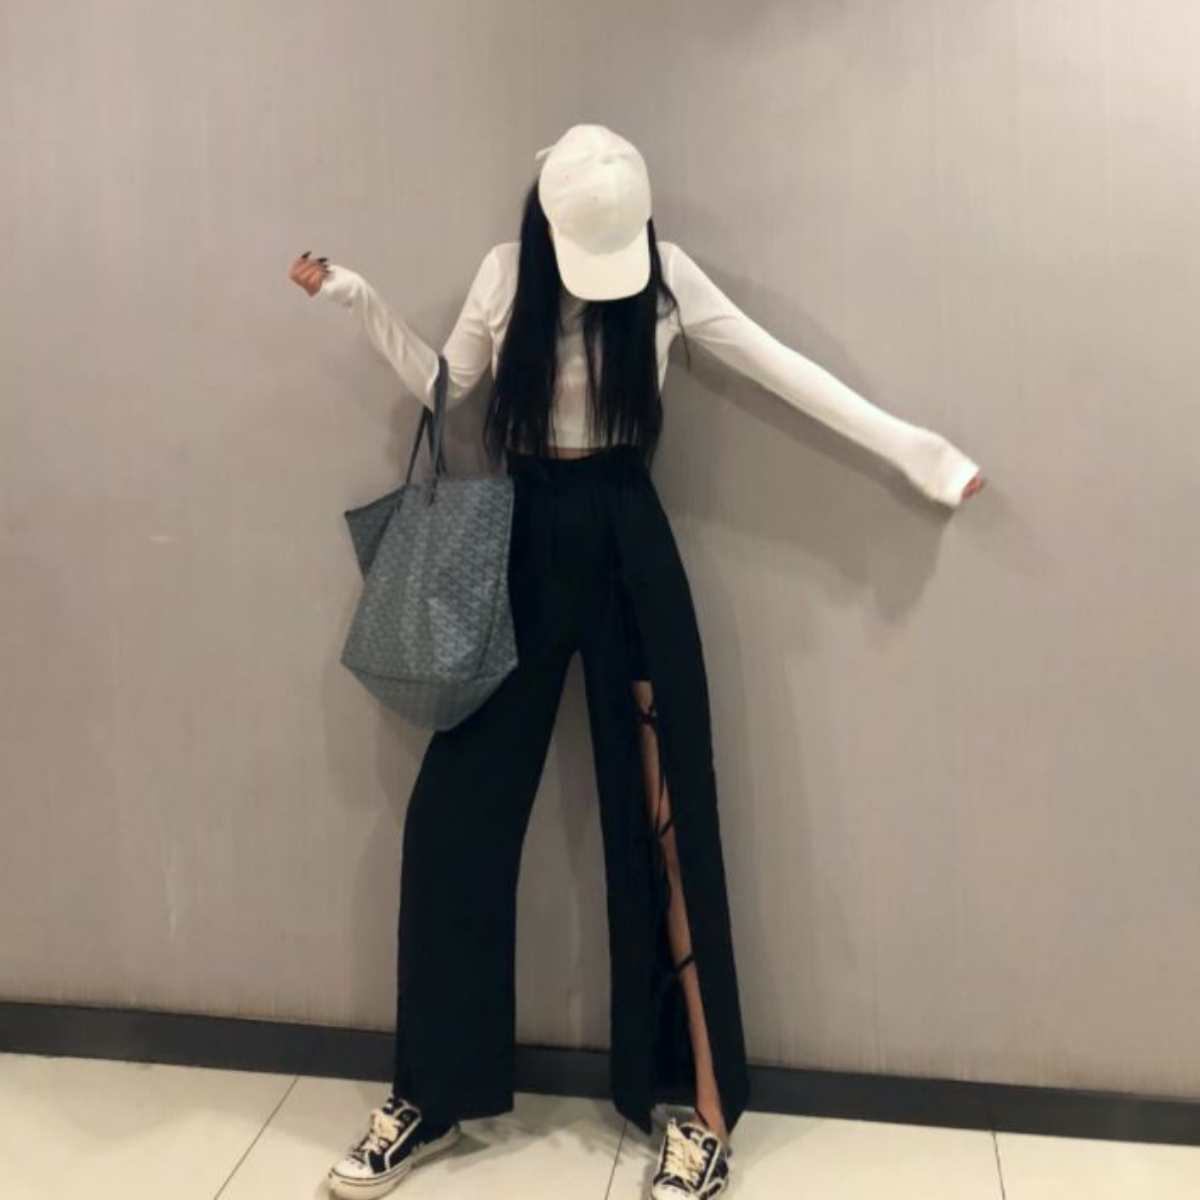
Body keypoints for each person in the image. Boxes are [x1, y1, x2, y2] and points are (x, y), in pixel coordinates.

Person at [288, 122, 984, 1200]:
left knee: (667, 822)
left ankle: (700, 1112)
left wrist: (921, 454)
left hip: (626, 540)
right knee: (453, 819)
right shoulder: (506, 274)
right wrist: (360, 300)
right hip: (520, 541)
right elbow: (444, 388)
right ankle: (428, 1092)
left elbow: (784, 371)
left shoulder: (666, 278)